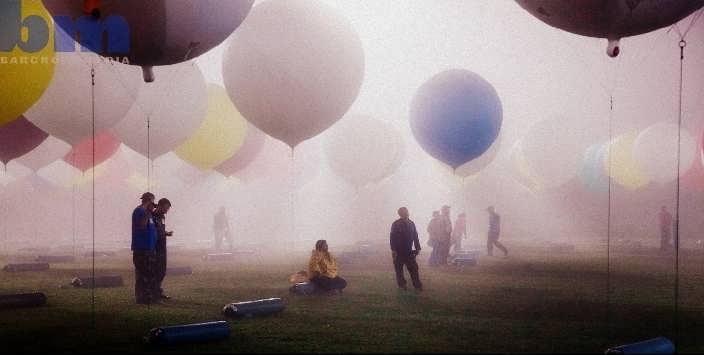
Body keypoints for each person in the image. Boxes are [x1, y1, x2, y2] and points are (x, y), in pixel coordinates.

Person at [131, 192, 158, 304]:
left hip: (149, 248)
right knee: (143, 274)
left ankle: (147, 296)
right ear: (149, 200)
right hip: (142, 248)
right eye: (152, 202)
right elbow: (142, 226)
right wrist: (148, 212)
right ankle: (142, 298)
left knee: (149, 273)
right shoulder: (140, 211)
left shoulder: (147, 213)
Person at [390, 207, 423, 291]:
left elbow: (415, 236)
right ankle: (402, 285)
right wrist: (393, 250)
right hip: (398, 251)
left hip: (409, 251)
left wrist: (418, 247)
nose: (407, 213)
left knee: (414, 269)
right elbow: (392, 237)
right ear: (400, 214)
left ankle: (417, 285)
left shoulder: (412, 223)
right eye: (404, 212)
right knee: (399, 269)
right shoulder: (396, 224)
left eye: (407, 211)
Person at [153, 198, 173, 300]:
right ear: (160, 205)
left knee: (162, 270)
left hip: (161, 245)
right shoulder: (152, 216)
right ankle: (154, 292)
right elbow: (153, 231)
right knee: (156, 270)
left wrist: (166, 233)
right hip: (155, 246)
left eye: (167, 209)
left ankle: (158, 291)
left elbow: (160, 230)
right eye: (165, 208)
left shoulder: (161, 217)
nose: (166, 211)